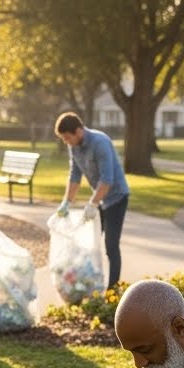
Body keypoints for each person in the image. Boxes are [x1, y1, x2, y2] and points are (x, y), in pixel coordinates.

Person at [54, 112, 130, 289]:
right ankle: (87, 284)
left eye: (67, 138)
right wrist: (67, 203)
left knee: (111, 245)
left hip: (117, 198)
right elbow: (75, 175)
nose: (66, 142)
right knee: (88, 244)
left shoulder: (100, 142)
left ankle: (113, 289)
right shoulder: (73, 146)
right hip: (100, 198)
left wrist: (93, 204)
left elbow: (107, 180)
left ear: (78, 131)